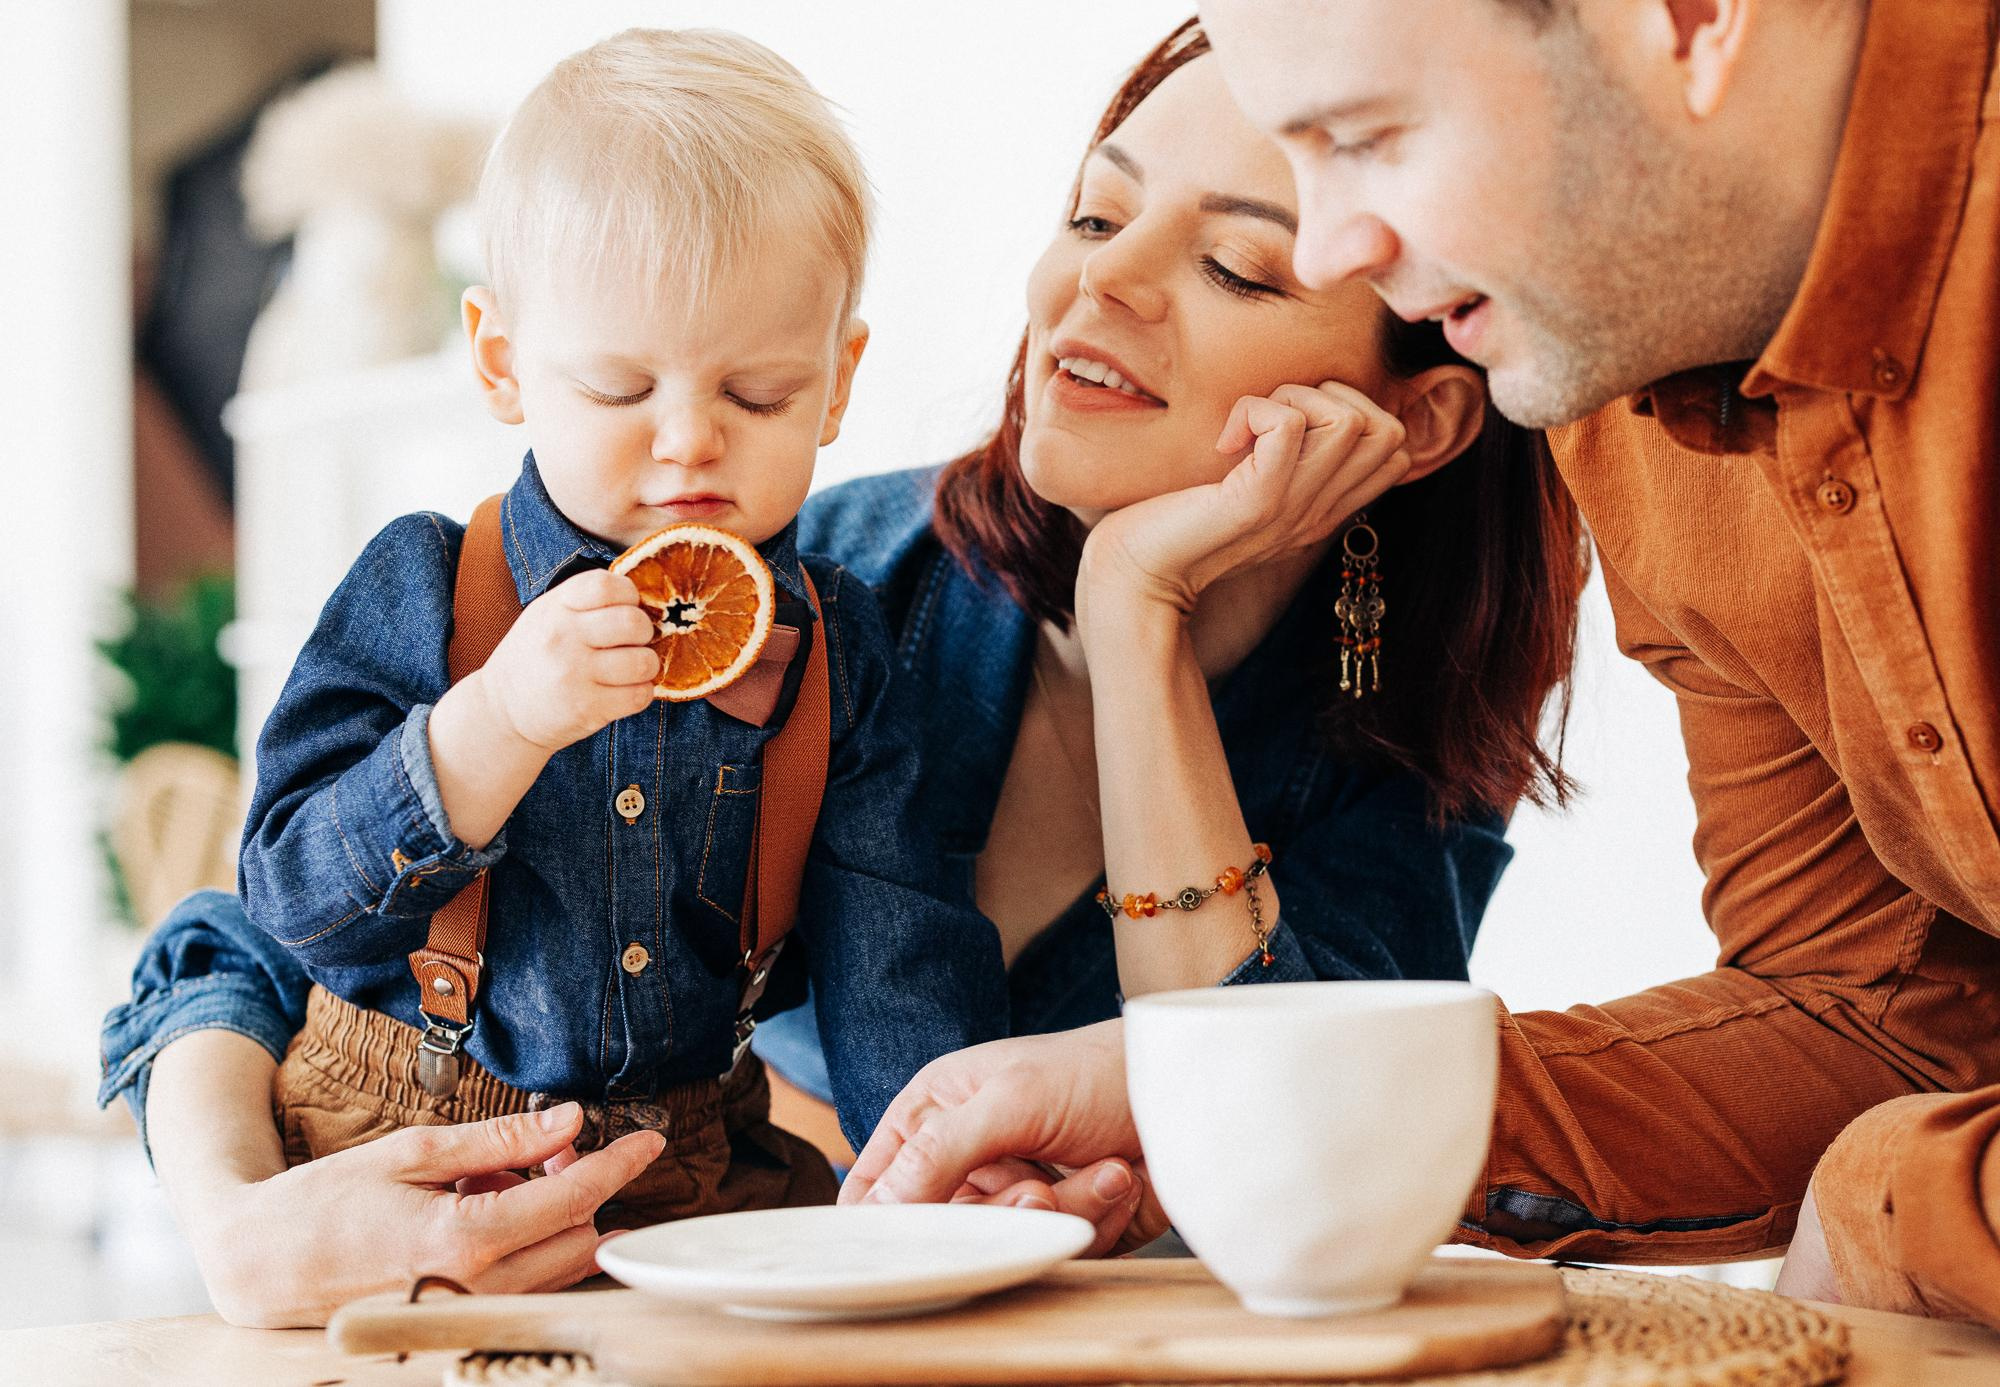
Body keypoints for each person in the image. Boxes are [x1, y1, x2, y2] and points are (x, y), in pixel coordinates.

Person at [98, 21, 1587, 1325]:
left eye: (1234, 264)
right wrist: (238, 1221)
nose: (1098, 287)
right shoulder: (816, 574)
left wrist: (1140, 619)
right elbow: (262, 923)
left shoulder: (1396, 754)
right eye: (1092, 213)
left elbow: (1288, 1160)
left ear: (1428, 414)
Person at [843, 0, 2000, 1326]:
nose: (1343, 246)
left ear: (1688, 20)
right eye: (1096, 216)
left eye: (1372, 139)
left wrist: (1898, 1195)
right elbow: (1875, 1014)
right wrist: (1249, 1096)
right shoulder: (1641, 420)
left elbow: (1890, 1093)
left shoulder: (1398, 684)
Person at [231, 24, 1013, 1243]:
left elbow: (894, 951)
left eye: (759, 394)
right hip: (400, 1145)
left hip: (689, 1158)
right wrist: (488, 730)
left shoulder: (831, 646)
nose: (690, 439)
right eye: (618, 390)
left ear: (839, 378)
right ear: (502, 363)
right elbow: (290, 901)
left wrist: (960, 1156)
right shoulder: (426, 585)